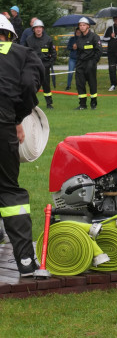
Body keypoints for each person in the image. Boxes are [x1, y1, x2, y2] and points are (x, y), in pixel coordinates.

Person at [0, 14, 48, 278]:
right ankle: (26, 261)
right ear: (8, 35)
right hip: (3, 124)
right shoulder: (22, 53)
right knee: (9, 191)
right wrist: (18, 117)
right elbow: (29, 84)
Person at [23, 18, 56, 108]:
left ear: (43, 29)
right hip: (32, 66)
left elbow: (53, 53)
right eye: (36, 27)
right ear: (33, 29)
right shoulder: (29, 40)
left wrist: (49, 64)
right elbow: (25, 53)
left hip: (45, 66)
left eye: (40, 27)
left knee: (46, 85)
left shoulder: (48, 39)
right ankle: (31, 103)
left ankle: (49, 103)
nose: (38, 29)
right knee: (32, 85)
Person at [70, 18, 102, 110]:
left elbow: (99, 51)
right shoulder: (79, 38)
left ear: (88, 26)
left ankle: (93, 103)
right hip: (80, 64)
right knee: (80, 84)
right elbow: (79, 52)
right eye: (80, 25)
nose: (82, 27)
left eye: (84, 25)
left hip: (90, 63)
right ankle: (82, 104)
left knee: (92, 84)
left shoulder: (94, 37)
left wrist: (93, 62)